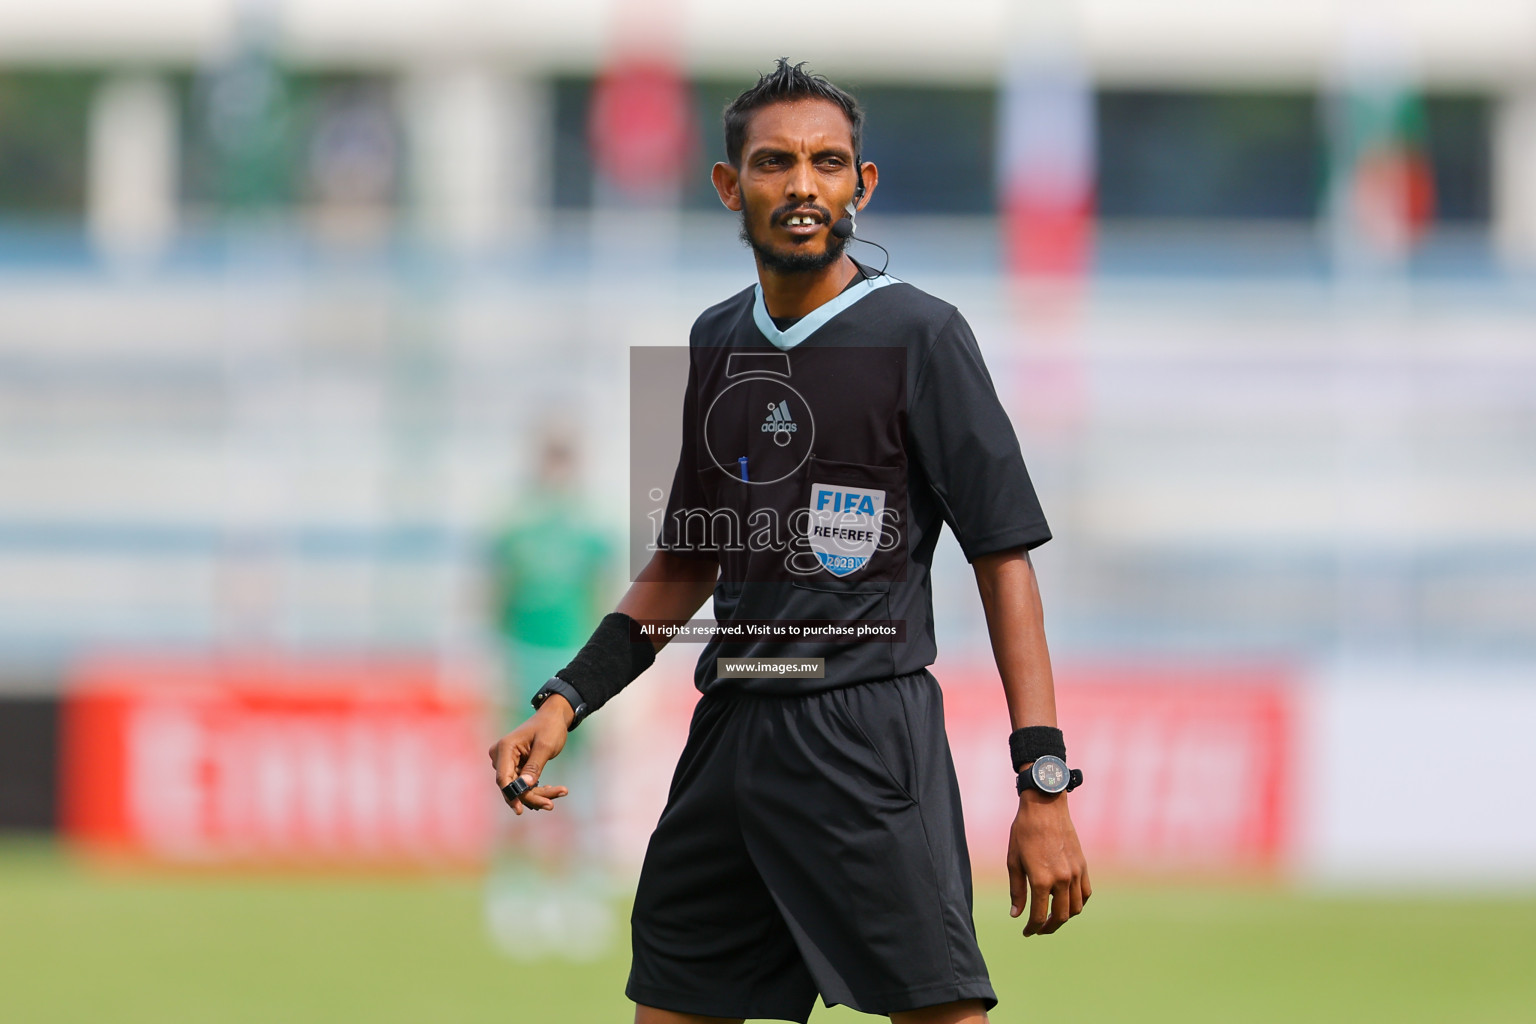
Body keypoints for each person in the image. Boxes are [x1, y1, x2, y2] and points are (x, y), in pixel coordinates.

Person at [490, 59, 1089, 1024]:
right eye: (774, 163)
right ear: (731, 186)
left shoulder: (926, 336)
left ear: (863, 184)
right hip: (729, 734)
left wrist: (1044, 781)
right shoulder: (713, 339)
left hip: (865, 737)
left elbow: (1003, 558)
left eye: (827, 163)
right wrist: (568, 696)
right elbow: (686, 561)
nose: (802, 185)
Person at [482, 429, 615, 957]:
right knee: (513, 783)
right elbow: (496, 600)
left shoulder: (590, 533)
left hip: (575, 674)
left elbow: (604, 605)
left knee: (583, 787)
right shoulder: (514, 530)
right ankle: (513, 891)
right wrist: (492, 665)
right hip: (523, 666)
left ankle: (577, 893)